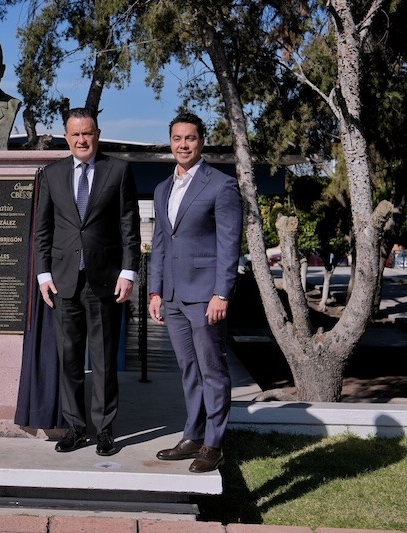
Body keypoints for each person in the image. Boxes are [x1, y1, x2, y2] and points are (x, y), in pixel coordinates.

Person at [34, 107, 141, 456]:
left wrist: (128, 271)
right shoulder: (51, 174)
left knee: (104, 359)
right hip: (63, 281)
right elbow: (43, 229)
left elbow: (129, 225)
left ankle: (105, 429)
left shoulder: (118, 170)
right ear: (67, 137)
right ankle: (76, 429)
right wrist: (43, 274)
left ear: (97, 134)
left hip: (105, 280)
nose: (82, 139)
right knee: (69, 359)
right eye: (75, 134)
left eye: (88, 133)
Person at [148, 112, 243, 473]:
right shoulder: (162, 188)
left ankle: (213, 444)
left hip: (205, 296)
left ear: (201, 141)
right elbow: (160, 243)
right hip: (172, 297)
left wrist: (222, 293)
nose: (183, 145)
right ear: (170, 142)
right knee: (189, 370)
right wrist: (155, 291)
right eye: (177, 138)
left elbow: (229, 244)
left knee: (212, 371)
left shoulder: (221, 185)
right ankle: (193, 435)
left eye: (190, 138)